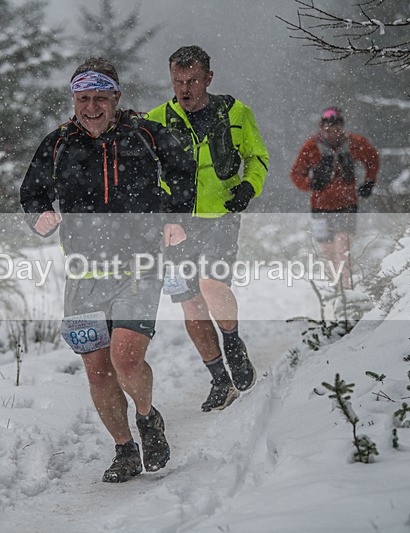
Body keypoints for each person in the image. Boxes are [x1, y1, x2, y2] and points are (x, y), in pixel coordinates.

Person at [20, 58, 196, 483]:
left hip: (141, 265)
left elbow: (184, 173)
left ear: (117, 97)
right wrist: (39, 214)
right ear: (74, 100)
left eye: (101, 97)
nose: (92, 107)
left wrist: (176, 217)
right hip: (83, 271)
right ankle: (124, 451)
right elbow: (32, 191)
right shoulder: (58, 143)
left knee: (126, 361)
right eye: (84, 98)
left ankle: (147, 417)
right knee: (97, 368)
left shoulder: (147, 134)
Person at [146, 45, 269, 412]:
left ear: (208, 79)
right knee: (190, 303)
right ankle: (220, 380)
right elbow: (143, 173)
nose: (184, 89)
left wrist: (249, 187)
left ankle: (232, 341)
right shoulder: (156, 119)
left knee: (212, 283)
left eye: (192, 81)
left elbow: (257, 157)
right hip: (175, 224)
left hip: (221, 216)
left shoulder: (236, 112)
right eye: (178, 81)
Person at [290, 107, 380, 288]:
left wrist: (369, 181)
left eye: (336, 128)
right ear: (322, 127)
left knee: (342, 248)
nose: (332, 132)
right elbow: (296, 174)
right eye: (328, 128)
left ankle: (345, 290)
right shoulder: (311, 146)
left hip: (347, 204)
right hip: (320, 207)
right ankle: (333, 289)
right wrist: (309, 184)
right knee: (327, 251)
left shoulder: (353, 143)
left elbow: (372, 158)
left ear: (342, 127)